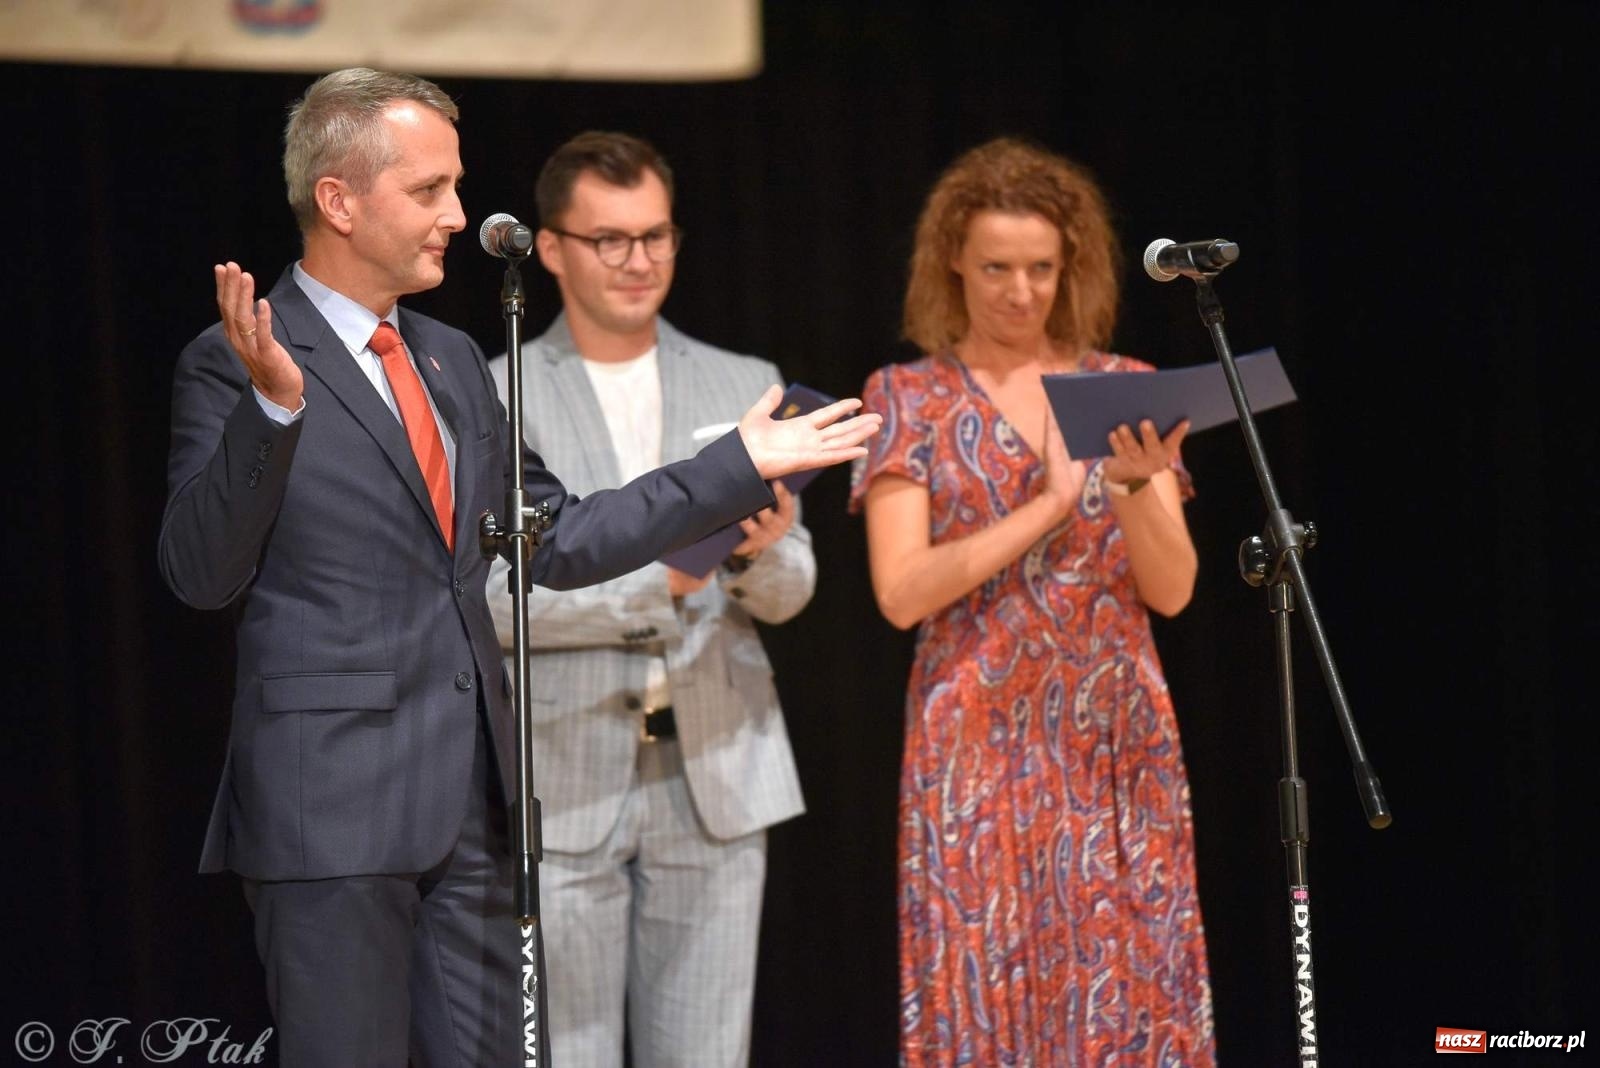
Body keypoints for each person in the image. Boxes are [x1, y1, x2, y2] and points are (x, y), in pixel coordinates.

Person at [156, 68, 879, 1068]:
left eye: (456, 186)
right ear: (338, 198)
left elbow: (565, 535)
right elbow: (200, 571)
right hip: (332, 809)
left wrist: (738, 467)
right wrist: (274, 409)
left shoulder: (452, 358)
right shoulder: (235, 359)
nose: (458, 214)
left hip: (476, 808)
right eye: (428, 190)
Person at [850, 137, 1215, 1066]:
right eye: (998, 269)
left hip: (1112, 736)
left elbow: (1171, 591)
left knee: (1127, 976)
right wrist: (1050, 507)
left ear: (1071, 268)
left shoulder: (1124, 388)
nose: (1021, 292)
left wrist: (1133, 487)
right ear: (954, 268)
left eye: (1042, 269)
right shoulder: (907, 397)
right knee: (985, 985)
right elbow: (900, 593)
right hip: (973, 741)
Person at [483, 130, 811, 1068]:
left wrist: (758, 554)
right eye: (610, 240)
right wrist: (657, 586)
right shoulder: (494, 391)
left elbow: (796, 592)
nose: (639, 262)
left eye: (656, 236)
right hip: (567, 775)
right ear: (550, 248)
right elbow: (490, 598)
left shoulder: (744, 381)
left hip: (717, 769)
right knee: (567, 1055)